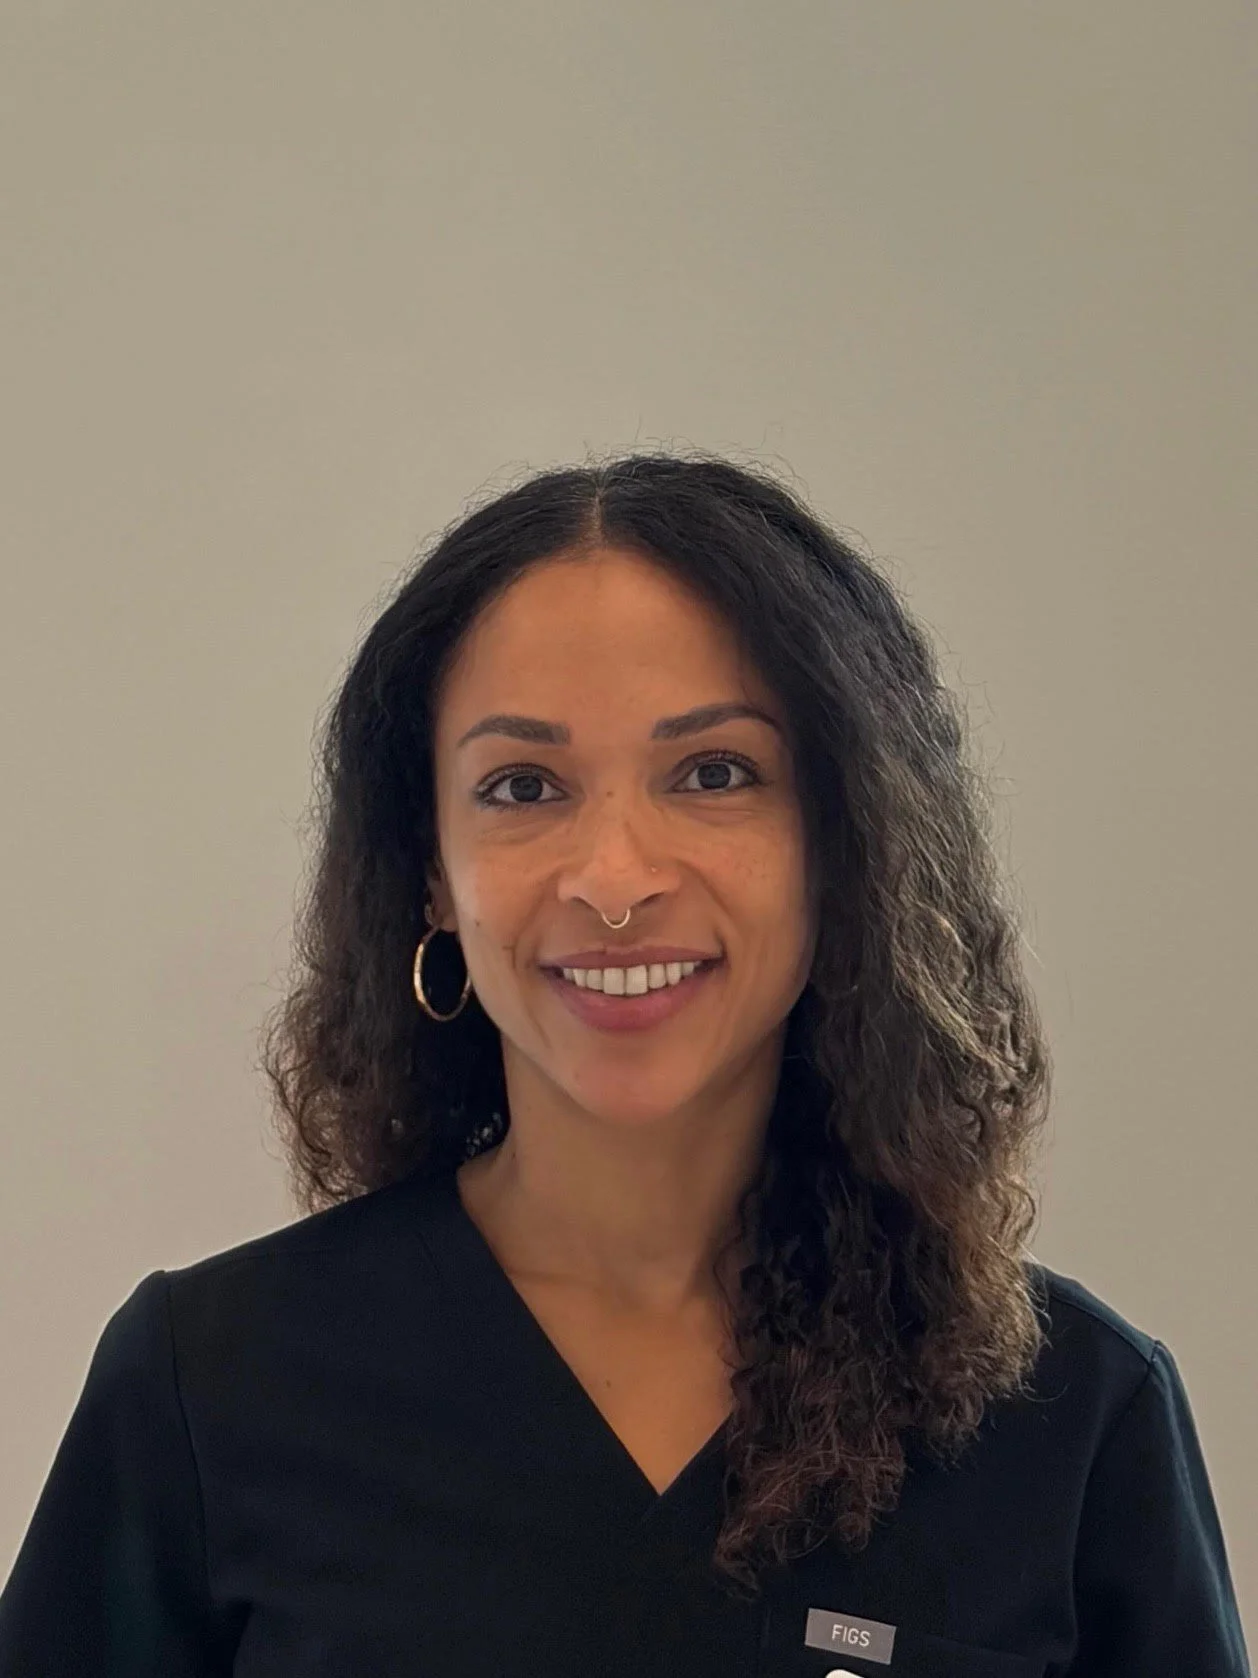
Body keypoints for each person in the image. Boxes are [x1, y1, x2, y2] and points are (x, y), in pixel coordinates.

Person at [0, 452, 1249, 1677]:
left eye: (714, 773)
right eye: (522, 785)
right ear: (430, 870)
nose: (612, 879)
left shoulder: (1074, 1419)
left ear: (844, 842)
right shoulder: (212, 1382)